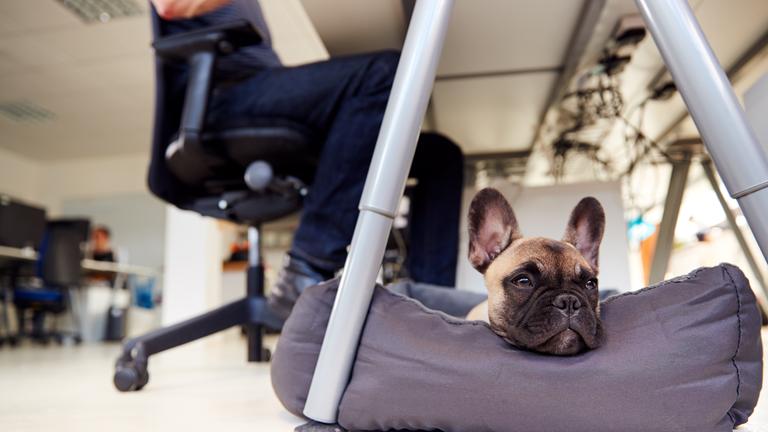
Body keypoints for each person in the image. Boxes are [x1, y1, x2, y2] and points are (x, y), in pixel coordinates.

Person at [152, 0, 464, 319]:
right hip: (224, 102)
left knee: (441, 157)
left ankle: (429, 314)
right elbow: (169, 5)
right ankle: (306, 267)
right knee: (383, 73)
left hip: (261, 89)